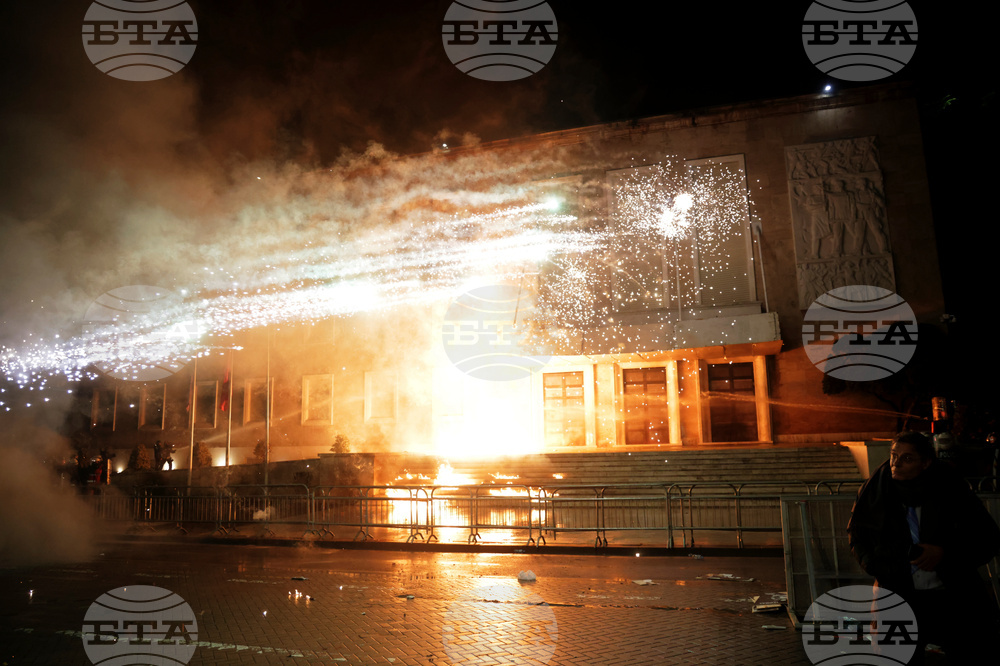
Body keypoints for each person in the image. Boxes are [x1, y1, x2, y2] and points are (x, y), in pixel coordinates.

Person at [847, 431, 1000, 663]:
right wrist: (875, 565)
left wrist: (944, 554)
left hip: (951, 596)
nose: (896, 464)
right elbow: (857, 534)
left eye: (907, 458)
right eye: (893, 455)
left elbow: (986, 538)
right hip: (897, 593)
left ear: (926, 463)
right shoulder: (874, 490)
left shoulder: (951, 489)